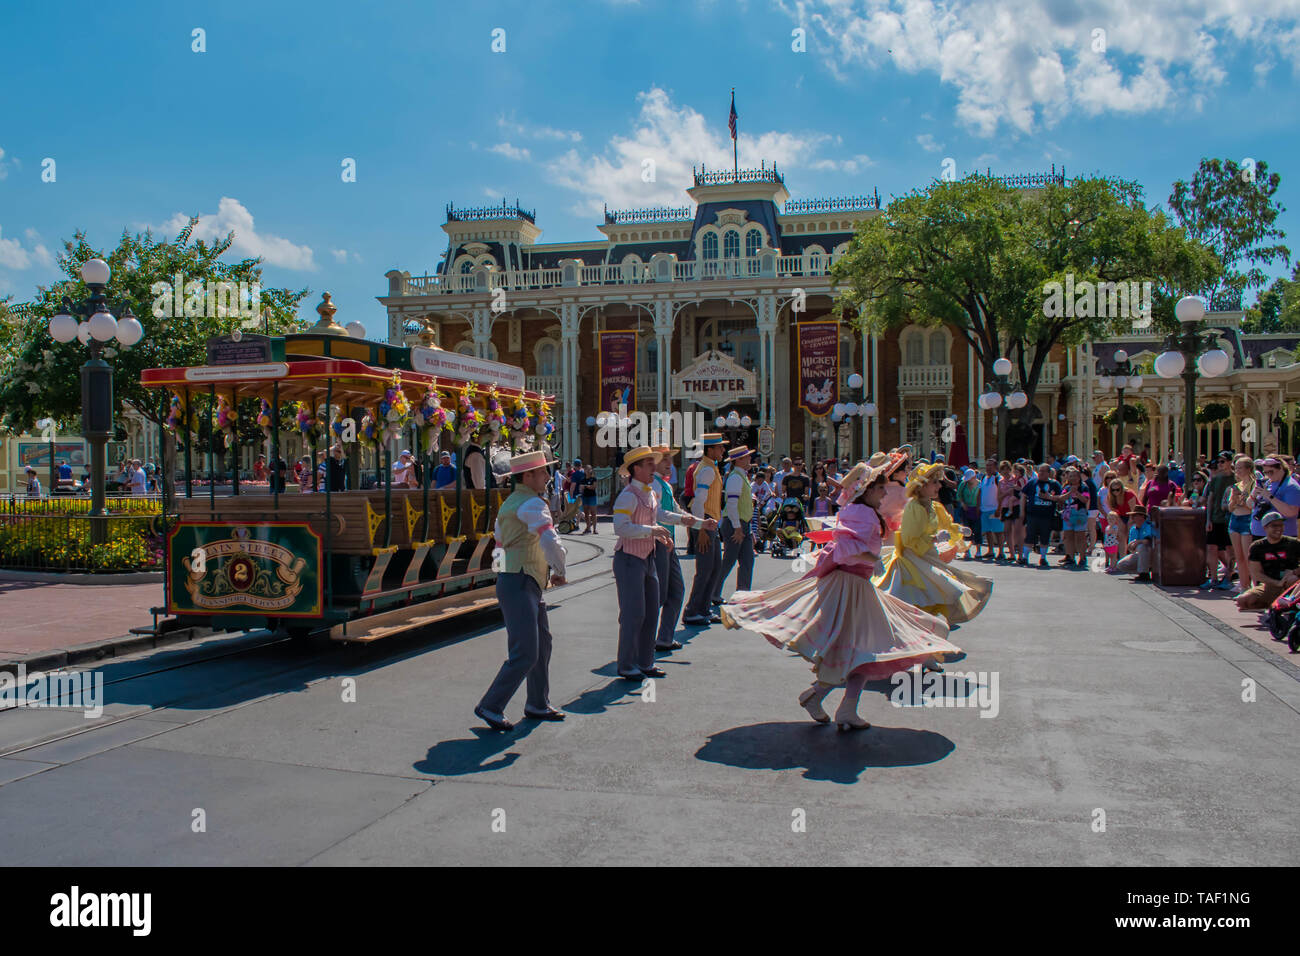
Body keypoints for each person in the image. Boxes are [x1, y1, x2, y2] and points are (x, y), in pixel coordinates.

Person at [723, 457, 961, 731]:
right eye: (881, 488)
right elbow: (844, 548)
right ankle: (820, 697)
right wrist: (870, 555)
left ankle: (839, 705)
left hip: (857, 585)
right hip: (849, 587)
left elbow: (848, 543)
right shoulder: (862, 513)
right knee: (857, 649)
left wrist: (872, 555)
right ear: (868, 490)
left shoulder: (863, 511)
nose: (885, 493)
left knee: (863, 651)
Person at [474, 451, 568, 731]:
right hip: (522, 581)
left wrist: (504, 575)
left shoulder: (510, 504)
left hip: (520, 580)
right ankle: (491, 705)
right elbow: (551, 541)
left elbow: (499, 544)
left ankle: (537, 702)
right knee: (526, 650)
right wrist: (560, 570)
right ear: (527, 476)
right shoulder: (532, 504)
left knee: (542, 644)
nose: (548, 477)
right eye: (543, 472)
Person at [874, 461, 992, 624]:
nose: (939, 486)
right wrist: (935, 538)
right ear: (921, 486)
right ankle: (917, 622)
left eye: (939, 481)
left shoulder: (934, 506)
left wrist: (958, 530)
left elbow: (946, 524)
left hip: (929, 555)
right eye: (934, 482)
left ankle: (927, 622)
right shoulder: (913, 507)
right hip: (912, 558)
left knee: (937, 587)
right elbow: (909, 539)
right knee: (925, 589)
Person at [611, 446, 679, 680]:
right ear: (636, 469)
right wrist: (652, 531)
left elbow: (660, 516)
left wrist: (687, 523)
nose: (654, 468)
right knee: (634, 613)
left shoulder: (649, 493)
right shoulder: (628, 495)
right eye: (649, 464)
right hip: (629, 559)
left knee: (651, 612)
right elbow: (620, 527)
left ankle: (645, 661)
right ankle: (626, 664)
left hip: (647, 558)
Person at [650, 445, 715, 653]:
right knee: (658, 595)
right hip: (657, 544)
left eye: (670, 459)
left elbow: (676, 510)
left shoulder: (665, 486)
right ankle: (644, 639)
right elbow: (659, 515)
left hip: (667, 545)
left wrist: (699, 523)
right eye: (666, 459)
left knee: (676, 591)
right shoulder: (654, 485)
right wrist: (686, 520)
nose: (670, 463)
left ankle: (664, 638)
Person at [682, 434, 728, 626]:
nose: (723, 451)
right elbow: (698, 502)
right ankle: (692, 610)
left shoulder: (710, 467)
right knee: (706, 569)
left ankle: (703, 608)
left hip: (710, 522)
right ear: (710, 450)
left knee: (715, 567)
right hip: (705, 521)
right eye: (720, 447)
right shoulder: (707, 470)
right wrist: (701, 528)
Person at [715, 445, 756, 603]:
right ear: (738, 460)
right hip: (735, 524)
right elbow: (731, 505)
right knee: (729, 560)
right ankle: (713, 592)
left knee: (747, 560)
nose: (749, 459)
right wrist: (738, 527)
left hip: (741, 524)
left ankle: (743, 594)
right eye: (746, 457)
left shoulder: (741, 476)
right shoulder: (735, 478)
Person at [1235, 512, 1300, 610]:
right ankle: (1273, 606)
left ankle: (1286, 604)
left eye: (1281, 525)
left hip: (1290, 584)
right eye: (1274, 525)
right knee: (1242, 601)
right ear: (1265, 528)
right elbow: (1256, 573)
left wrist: (1294, 571)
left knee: (1293, 579)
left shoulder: (1293, 543)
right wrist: (1276, 583)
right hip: (1269, 585)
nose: (1279, 528)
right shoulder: (1257, 546)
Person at [1021, 463, 1063, 567]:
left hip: (1047, 515)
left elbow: (1060, 498)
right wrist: (1022, 511)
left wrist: (1049, 497)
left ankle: (1043, 558)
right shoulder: (1032, 483)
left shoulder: (1055, 484)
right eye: (1039, 471)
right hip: (1032, 514)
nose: (1040, 473)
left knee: (1045, 537)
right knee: (1029, 536)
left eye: (1043, 471)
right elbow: (1023, 495)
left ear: (1049, 473)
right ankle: (1025, 557)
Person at [1227, 455, 1257, 595]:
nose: (1237, 471)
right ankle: (1244, 586)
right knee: (1238, 557)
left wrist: (1242, 499)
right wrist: (1234, 497)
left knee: (1248, 556)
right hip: (1234, 519)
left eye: (1240, 468)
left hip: (1247, 519)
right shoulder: (1236, 486)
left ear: (1248, 469)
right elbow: (1230, 507)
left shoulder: (1254, 484)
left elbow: (1252, 507)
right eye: (1236, 468)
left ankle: (1254, 586)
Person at [1250, 457, 1300, 538]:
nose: (1268, 475)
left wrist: (1269, 497)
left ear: (1280, 467)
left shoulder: (1291, 486)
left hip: (1281, 536)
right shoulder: (1266, 483)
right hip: (1259, 534)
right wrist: (1253, 496)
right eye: (1265, 472)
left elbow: (1291, 512)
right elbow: (1249, 505)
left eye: (1270, 472)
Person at [1057, 466, 1092, 567]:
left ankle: (1082, 557)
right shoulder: (1066, 488)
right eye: (1070, 476)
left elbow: (1086, 499)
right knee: (1069, 537)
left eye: (1074, 476)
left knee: (1080, 537)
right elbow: (1061, 498)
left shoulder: (1084, 487)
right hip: (1068, 514)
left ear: (1079, 477)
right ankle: (1071, 557)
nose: (1072, 478)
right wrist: (1070, 492)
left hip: (1079, 514)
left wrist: (1077, 493)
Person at [1115, 505, 1155, 582]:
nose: (1132, 517)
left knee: (1142, 546)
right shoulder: (1133, 529)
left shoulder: (1148, 526)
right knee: (1121, 565)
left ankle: (1144, 574)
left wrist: (1137, 542)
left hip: (1151, 553)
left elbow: (1148, 541)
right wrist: (1134, 544)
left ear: (1142, 516)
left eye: (1135, 515)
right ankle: (1145, 569)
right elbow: (1130, 547)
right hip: (1138, 554)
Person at [977, 457, 1004, 561]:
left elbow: (1001, 494)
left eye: (990, 465)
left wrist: (999, 508)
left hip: (995, 508)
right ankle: (990, 551)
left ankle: (1001, 552)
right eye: (987, 465)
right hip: (984, 509)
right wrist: (978, 506)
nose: (988, 467)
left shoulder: (998, 478)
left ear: (995, 467)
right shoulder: (983, 477)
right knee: (988, 531)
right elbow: (980, 493)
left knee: (998, 531)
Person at [956, 469, 982, 559]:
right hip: (966, 509)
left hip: (976, 509)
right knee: (967, 530)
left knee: (977, 529)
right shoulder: (963, 484)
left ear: (974, 477)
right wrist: (963, 504)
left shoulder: (980, 484)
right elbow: (958, 495)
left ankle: (978, 551)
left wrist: (979, 507)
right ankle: (967, 550)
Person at [570, 458, 598, 534]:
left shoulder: (593, 478)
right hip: (584, 496)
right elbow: (580, 488)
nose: (588, 471)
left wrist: (587, 487)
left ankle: (594, 529)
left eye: (589, 469)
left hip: (592, 497)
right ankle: (588, 528)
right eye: (586, 470)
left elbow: (594, 487)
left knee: (593, 513)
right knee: (586, 513)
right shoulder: (582, 478)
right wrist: (581, 489)